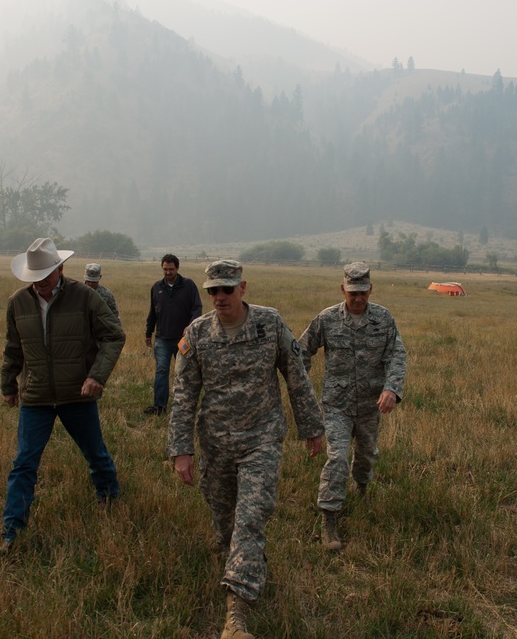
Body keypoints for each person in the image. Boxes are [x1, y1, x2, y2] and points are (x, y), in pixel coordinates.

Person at [168, 259, 324, 639]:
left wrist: (311, 427)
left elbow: (296, 376)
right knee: (226, 524)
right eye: (213, 291)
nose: (220, 297)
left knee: (251, 515)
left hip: (262, 438)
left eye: (227, 289)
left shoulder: (269, 324)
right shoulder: (198, 334)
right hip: (217, 443)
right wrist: (181, 450)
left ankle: (236, 617)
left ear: (243, 288)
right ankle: (243, 558)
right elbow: (184, 395)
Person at [0, 238, 126, 556]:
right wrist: (9, 385)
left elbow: (114, 335)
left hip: (76, 394)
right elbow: (14, 347)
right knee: (23, 463)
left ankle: (110, 500)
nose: (40, 283)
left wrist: (96, 376)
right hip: (36, 396)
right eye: (34, 277)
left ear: (61, 269)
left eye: (46, 276)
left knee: (96, 455)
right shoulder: (18, 303)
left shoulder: (85, 297)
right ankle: (11, 532)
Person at [298, 261, 406, 552]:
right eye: (352, 293)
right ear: (342, 289)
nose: (357, 299)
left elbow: (397, 354)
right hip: (337, 405)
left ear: (370, 289)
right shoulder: (327, 319)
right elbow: (302, 351)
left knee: (367, 455)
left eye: (362, 293)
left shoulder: (383, 320)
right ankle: (329, 517)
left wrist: (391, 389)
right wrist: (301, 387)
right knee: (337, 459)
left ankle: (362, 488)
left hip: (372, 405)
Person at [144, 253, 202, 416]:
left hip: (183, 340)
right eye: (165, 269)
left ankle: (185, 406)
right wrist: (149, 333)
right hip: (162, 338)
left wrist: (190, 326)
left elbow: (197, 308)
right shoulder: (156, 287)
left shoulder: (189, 286)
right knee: (161, 370)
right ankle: (159, 407)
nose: (168, 272)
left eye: (171, 269)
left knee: (185, 371)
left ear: (177, 268)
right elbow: (152, 312)